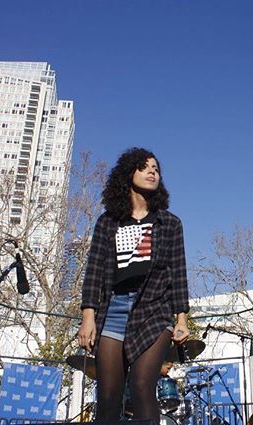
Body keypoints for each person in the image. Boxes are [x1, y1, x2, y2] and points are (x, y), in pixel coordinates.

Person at [77, 148, 190, 422]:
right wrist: (88, 318)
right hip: (113, 310)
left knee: (141, 385)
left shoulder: (170, 223)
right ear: (128, 174)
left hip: (154, 310)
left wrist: (182, 318)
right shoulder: (108, 222)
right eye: (144, 167)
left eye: (156, 168)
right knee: (108, 395)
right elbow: (94, 271)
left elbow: (178, 272)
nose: (153, 171)